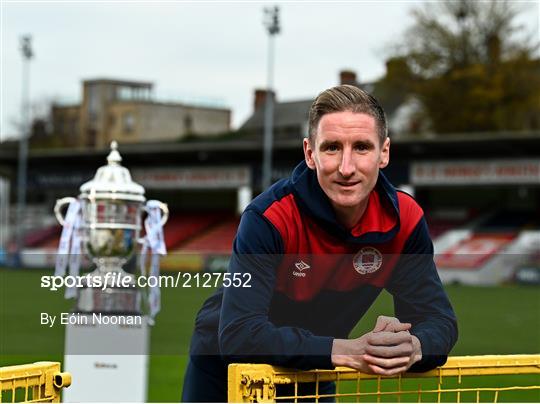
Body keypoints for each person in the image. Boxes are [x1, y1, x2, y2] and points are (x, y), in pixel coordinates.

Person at [182, 85, 458, 402]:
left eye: (362, 147)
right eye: (331, 148)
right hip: (228, 371)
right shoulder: (269, 216)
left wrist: (414, 347)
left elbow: (440, 321)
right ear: (310, 154)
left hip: (315, 367)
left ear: (384, 153)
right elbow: (239, 335)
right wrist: (346, 350)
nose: (346, 167)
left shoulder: (406, 220)